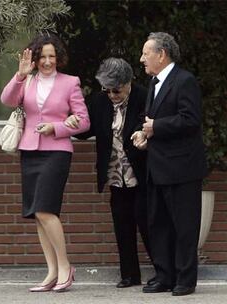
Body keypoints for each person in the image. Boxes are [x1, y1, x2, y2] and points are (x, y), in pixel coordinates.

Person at [0, 33, 90, 292]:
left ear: (58, 57)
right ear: (36, 58)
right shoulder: (26, 81)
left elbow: (84, 121)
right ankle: (51, 271)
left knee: (45, 209)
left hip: (57, 151)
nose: (48, 62)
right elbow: (7, 100)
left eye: (52, 56)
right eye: (43, 57)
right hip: (30, 150)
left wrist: (57, 127)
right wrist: (19, 74)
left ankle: (65, 266)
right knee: (37, 215)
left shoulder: (70, 82)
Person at [65, 58, 152, 288]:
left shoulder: (144, 96)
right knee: (122, 225)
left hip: (141, 171)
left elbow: (149, 125)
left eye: (117, 90)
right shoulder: (99, 101)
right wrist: (73, 123)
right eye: (107, 90)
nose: (112, 95)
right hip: (115, 173)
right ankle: (130, 275)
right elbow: (87, 129)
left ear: (128, 82)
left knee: (148, 223)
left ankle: (164, 272)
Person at [132, 32, 207, 296]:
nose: (142, 59)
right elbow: (151, 118)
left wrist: (156, 127)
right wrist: (144, 133)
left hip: (182, 168)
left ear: (161, 54)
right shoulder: (154, 83)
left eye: (146, 53)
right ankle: (164, 275)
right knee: (159, 224)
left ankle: (185, 280)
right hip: (158, 166)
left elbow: (191, 119)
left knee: (184, 226)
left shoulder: (184, 81)